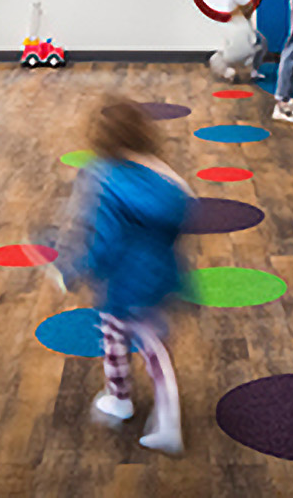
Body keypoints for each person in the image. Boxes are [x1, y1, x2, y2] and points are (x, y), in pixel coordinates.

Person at [69, 99, 192, 455]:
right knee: (126, 336)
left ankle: (163, 420)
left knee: (133, 342)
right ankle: (119, 398)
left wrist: (81, 267)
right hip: (159, 273)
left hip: (124, 278)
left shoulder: (105, 179)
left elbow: (103, 241)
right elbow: (178, 219)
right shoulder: (162, 174)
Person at [208, 0, 265, 82]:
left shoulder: (229, 26)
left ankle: (227, 73)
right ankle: (254, 71)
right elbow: (254, 40)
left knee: (214, 58)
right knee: (262, 45)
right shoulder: (248, 26)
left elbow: (222, 46)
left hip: (229, 57)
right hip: (246, 57)